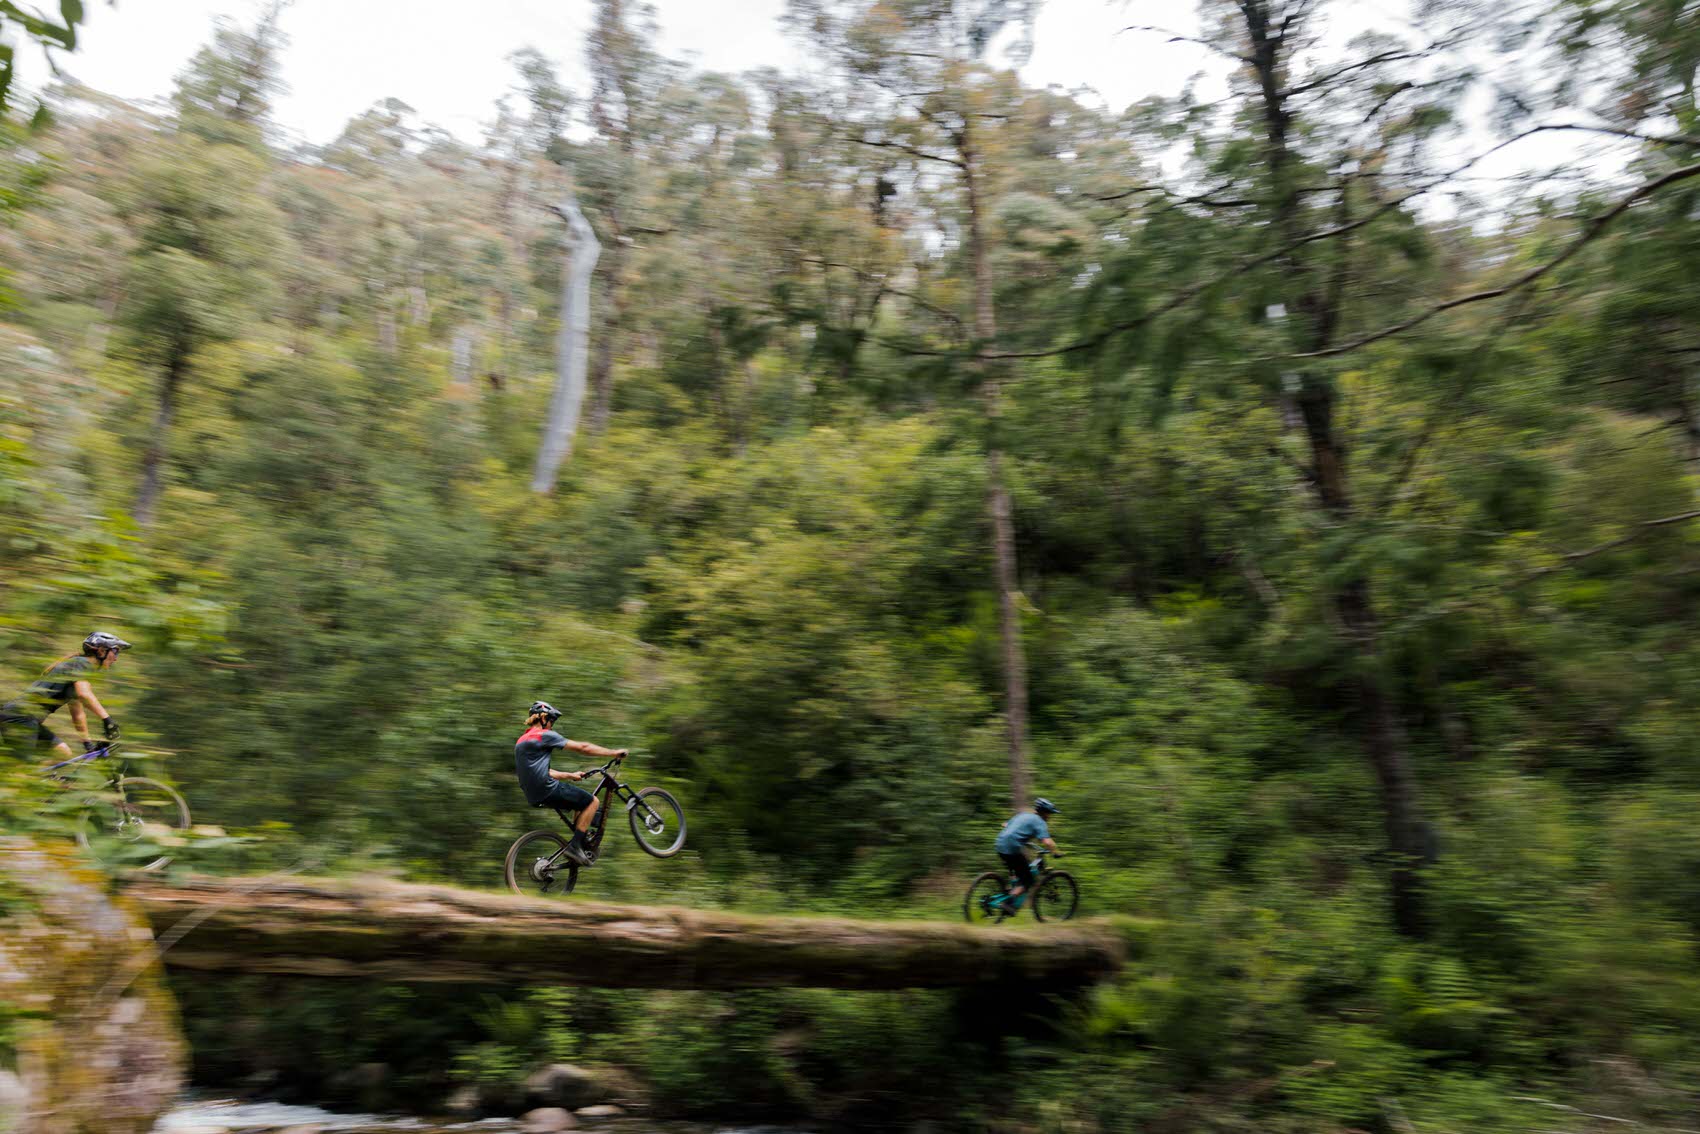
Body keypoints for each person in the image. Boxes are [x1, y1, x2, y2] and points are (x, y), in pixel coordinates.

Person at [514, 700, 628, 866]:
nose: (552, 726)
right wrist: (613, 753)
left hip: (532, 794)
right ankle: (575, 847)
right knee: (592, 802)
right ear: (544, 718)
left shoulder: (521, 741)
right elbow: (583, 747)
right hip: (547, 788)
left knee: (579, 804)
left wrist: (570, 775)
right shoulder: (544, 735)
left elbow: (541, 772)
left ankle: (579, 841)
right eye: (552, 721)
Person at [1, 631, 130, 764]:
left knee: (62, 753)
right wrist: (107, 719)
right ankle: (23, 779)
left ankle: (35, 779)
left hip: (27, 718)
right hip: (20, 716)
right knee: (20, 769)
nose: (116, 658)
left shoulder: (78, 670)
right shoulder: (82, 664)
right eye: (115, 652)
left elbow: (78, 714)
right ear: (102, 651)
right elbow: (84, 694)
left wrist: (88, 744)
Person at [992, 797, 1062, 915]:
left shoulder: (1023, 815)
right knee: (1028, 880)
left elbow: (1005, 825)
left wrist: (1024, 838)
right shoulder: (1040, 822)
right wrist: (1056, 852)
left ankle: (1011, 891)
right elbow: (1047, 842)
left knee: (1018, 867)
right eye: (1049, 814)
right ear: (1044, 813)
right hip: (1012, 848)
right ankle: (1008, 903)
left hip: (999, 844)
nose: (1049, 817)